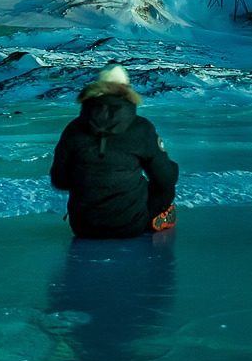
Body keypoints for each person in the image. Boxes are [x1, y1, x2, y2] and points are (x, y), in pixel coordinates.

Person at [50, 65, 179, 239]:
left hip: (83, 227)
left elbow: (60, 180)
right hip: (131, 225)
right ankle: (157, 216)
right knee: (163, 185)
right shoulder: (141, 128)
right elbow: (166, 178)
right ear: (127, 90)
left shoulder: (73, 129)